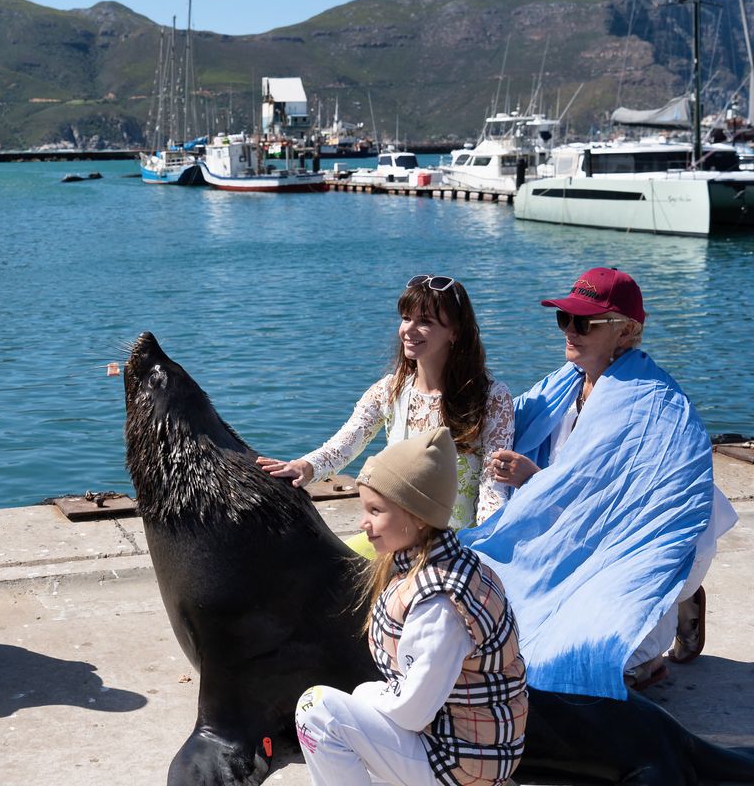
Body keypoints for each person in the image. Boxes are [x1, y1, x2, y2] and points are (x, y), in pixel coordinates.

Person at [472, 267, 737, 696]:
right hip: (588, 539)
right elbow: (496, 418)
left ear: (627, 332)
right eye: (565, 319)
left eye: (585, 322)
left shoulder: (649, 405)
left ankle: (673, 607)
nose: (570, 332)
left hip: (654, 547)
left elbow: (622, 510)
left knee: (598, 662)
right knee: (496, 619)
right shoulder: (565, 385)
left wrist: (533, 480)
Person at [295, 427, 527, 786]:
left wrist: (365, 693)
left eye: (376, 510)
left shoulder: (439, 602)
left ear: (418, 517)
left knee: (316, 710)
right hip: (468, 746)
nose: (363, 523)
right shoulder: (455, 564)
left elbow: (412, 710)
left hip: (462, 764)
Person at [260, 275, 513, 529]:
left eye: (424, 321)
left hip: (454, 546)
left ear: (455, 333)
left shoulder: (491, 398)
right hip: (395, 538)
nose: (408, 330)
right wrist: (305, 467)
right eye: (406, 318)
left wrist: (481, 550)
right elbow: (345, 445)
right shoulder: (389, 390)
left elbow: (493, 490)